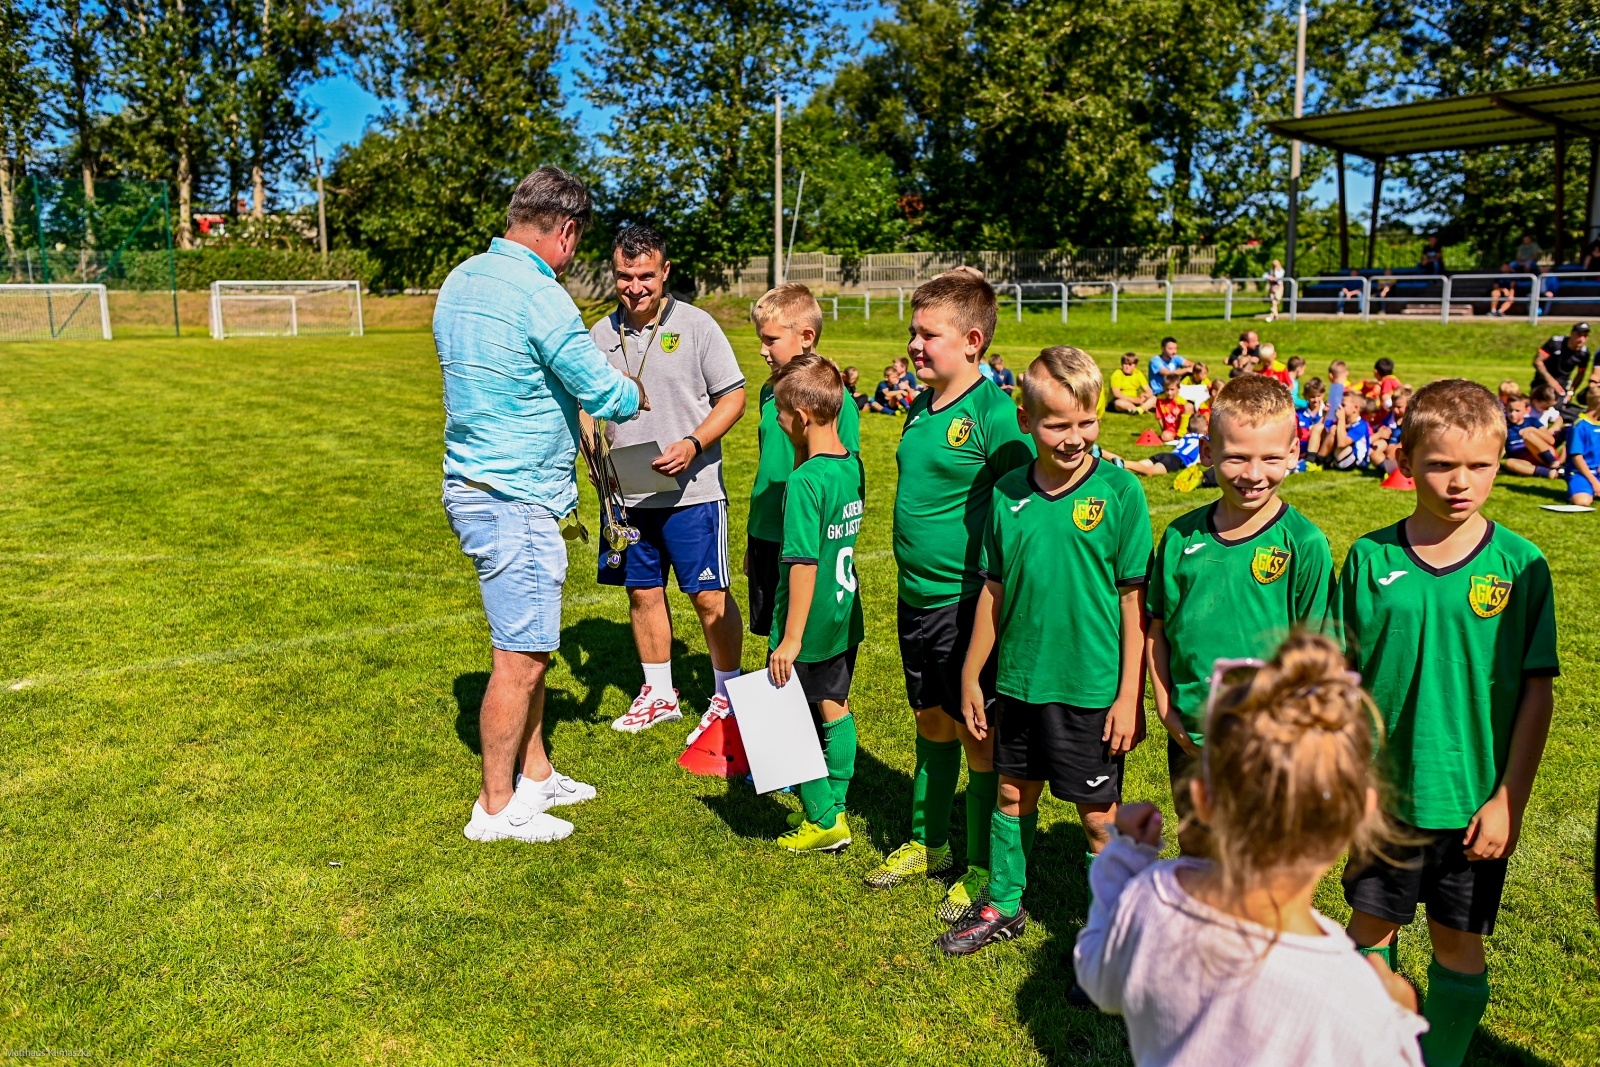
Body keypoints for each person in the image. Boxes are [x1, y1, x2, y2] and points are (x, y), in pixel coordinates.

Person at [1337, 379, 1559, 1067]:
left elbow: (1536, 692)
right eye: (1440, 464)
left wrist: (1507, 800)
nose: (1460, 482)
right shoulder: (1371, 559)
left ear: (1501, 460)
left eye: (1480, 466)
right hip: (1384, 800)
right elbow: (1339, 685)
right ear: (1404, 457)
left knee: (1456, 943)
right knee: (1366, 935)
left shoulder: (1521, 566)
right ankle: (1375, 1047)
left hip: (1470, 807)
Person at [1074, 634, 1426, 1067]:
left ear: (1202, 798)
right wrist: (1398, 1021)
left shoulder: (1149, 900)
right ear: (1358, 818)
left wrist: (1121, 859)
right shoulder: (1350, 997)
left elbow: (1097, 975)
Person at [435, 166, 646, 845]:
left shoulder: (461, 278)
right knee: (520, 658)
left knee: (531, 649)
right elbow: (603, 391)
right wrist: (633, 392)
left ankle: (538, 772)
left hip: (473, 481)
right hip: (513, 496)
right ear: (567, 230)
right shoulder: (542, 294)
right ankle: (496, 809)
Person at [937, 345, 1151, 956]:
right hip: (1022, 681)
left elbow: (1134, 608)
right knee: (1012, 794)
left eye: (1087, 421)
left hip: (1089, 687)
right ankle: (1005, 902)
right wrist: (975, 675)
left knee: (1097, 817)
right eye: (1058, 423)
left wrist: (1127, 697)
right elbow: (993, 592)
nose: (1075, 436)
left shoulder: (1119, 492)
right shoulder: (1007, 494)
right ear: (1026, 422)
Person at [866, 268, 1035, 927]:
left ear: (971, 340)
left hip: (968, 605)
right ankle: (927, 842)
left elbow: (1026, 496)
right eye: (912, 331)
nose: (913, 343)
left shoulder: (992, 411)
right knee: (930, 722)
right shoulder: (919, 405)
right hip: (916, 600)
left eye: (926, 333)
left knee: (977, 735)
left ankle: (982, 867)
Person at [1147, 375, 1334, 856]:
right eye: (1236, 456)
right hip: (1192, 733)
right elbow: (1158, 630)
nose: (1254, 473)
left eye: (1271, 458)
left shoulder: (1304, 544)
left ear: (1295, 452)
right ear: (1207, 451)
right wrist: (1168, 710)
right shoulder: (1179, 537)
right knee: (1199, 850)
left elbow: (1315, 656)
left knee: (1264, 861)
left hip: (1270, 740)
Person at [589, 224, 748, 735]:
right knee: (642, 591)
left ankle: (727, 692)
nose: (635, 286)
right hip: (628, 495)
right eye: (624, 276)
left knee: (708, 595)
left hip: (693, 491)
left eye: (645, 276)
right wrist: (593, 449)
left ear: (665, 273)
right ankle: (659, 693)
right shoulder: (597, 335)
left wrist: (694, 444)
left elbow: (734, 397)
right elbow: (587, 406)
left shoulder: (698, 326)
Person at [763, 355, 866, 853]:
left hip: (809, 621)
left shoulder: (805, 482)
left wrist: (790, 639)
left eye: (780, 413)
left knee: (785, 720)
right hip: (845, 612)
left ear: (801, 417)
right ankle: (839, 804)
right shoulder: (851, 465)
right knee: (834, 705)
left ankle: (824, 819)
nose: (777, 421)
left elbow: (803, 563)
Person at [744, 284, 861, 667]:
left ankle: (807, 720)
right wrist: (753, 539)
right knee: (774, 636)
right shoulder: (768, 392)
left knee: (804, 643)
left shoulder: (832, 398)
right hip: (766, 533)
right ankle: (789, 718)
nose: (763, 349)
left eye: (771, 339)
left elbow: (845, 473)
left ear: (806, 336)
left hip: (805, 541)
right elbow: (767, 466)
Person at [1122, 412, 1207, 483]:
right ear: (1205, 430)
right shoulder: (1205, 440)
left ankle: (1120, 466)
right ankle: (1125, 464)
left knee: (1139, 465)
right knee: (1150, 472)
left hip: (1166, 455)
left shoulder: (1186, 436)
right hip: (1176, 460)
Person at [1501, 393, 1563, 480]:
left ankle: (1556, 465)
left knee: (1528, 435)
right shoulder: (1504, 425)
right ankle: (1552, 473)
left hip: (1544, 455)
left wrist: (1533, 430)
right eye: (1510, 410)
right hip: (1525, 460)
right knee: (1509, 463)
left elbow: (1551, 440)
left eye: (1517, 411)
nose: (1513, 414)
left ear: (1527, 410)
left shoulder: (1532, 421)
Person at [1531, 323, 1591, 409]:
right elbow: (1538, 362)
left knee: (1558, 408)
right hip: (1543, 380)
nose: (1581, 339)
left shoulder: (1584, 353)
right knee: (1540, 405)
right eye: (1579, 335)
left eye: (1585, 336)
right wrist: (1551, 381)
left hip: (1562, 385)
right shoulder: (1556, 343)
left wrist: (1571, 392)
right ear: (1572, 333)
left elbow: (1580, 373)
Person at [1564, 383, 1600, 506]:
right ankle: (1581, 490)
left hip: (1598, 471)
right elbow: (1577, 457)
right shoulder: (1579, 426)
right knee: (1583, 502)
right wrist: (1594, 482)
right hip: (1581, 473)